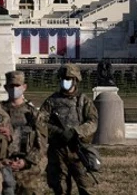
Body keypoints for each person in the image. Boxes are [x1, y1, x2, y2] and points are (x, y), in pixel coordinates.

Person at [38, 64, 99, 195]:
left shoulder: (83, 100)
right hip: (58, 151)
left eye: (68, 78)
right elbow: (40, 123)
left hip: (78, 150)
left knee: (86, 187)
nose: (65, 81)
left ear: (75, 80)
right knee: (61, 188)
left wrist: (76, 131)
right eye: (63, 78)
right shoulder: (51, 101)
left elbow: (93, 122)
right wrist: (58, 132)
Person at [0, 71, 47, 195]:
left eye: (17, 85)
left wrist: (26, 162)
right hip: (2, 168)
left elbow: (41, 144)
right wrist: (3, 160)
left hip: (29, 171)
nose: (15, 89)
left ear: (24, 87)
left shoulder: (34, 114)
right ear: (6, 88)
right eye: (11, 86)